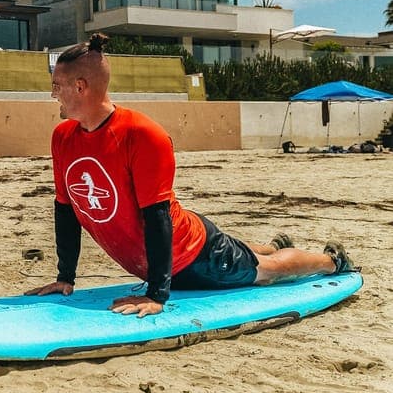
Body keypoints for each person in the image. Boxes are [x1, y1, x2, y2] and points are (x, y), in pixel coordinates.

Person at [26, 33, 355, 317]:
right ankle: (271, 245)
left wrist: (156, 294)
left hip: (194, 254)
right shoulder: (63, 137)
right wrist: (65, 276)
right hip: (166, 252)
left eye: (57, 85)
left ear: (80, 86)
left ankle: (330, 260)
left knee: (264, 272)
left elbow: (157, 217)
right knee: (246, 255)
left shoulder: (141, 134)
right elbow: (66, 209)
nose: (53, 94)